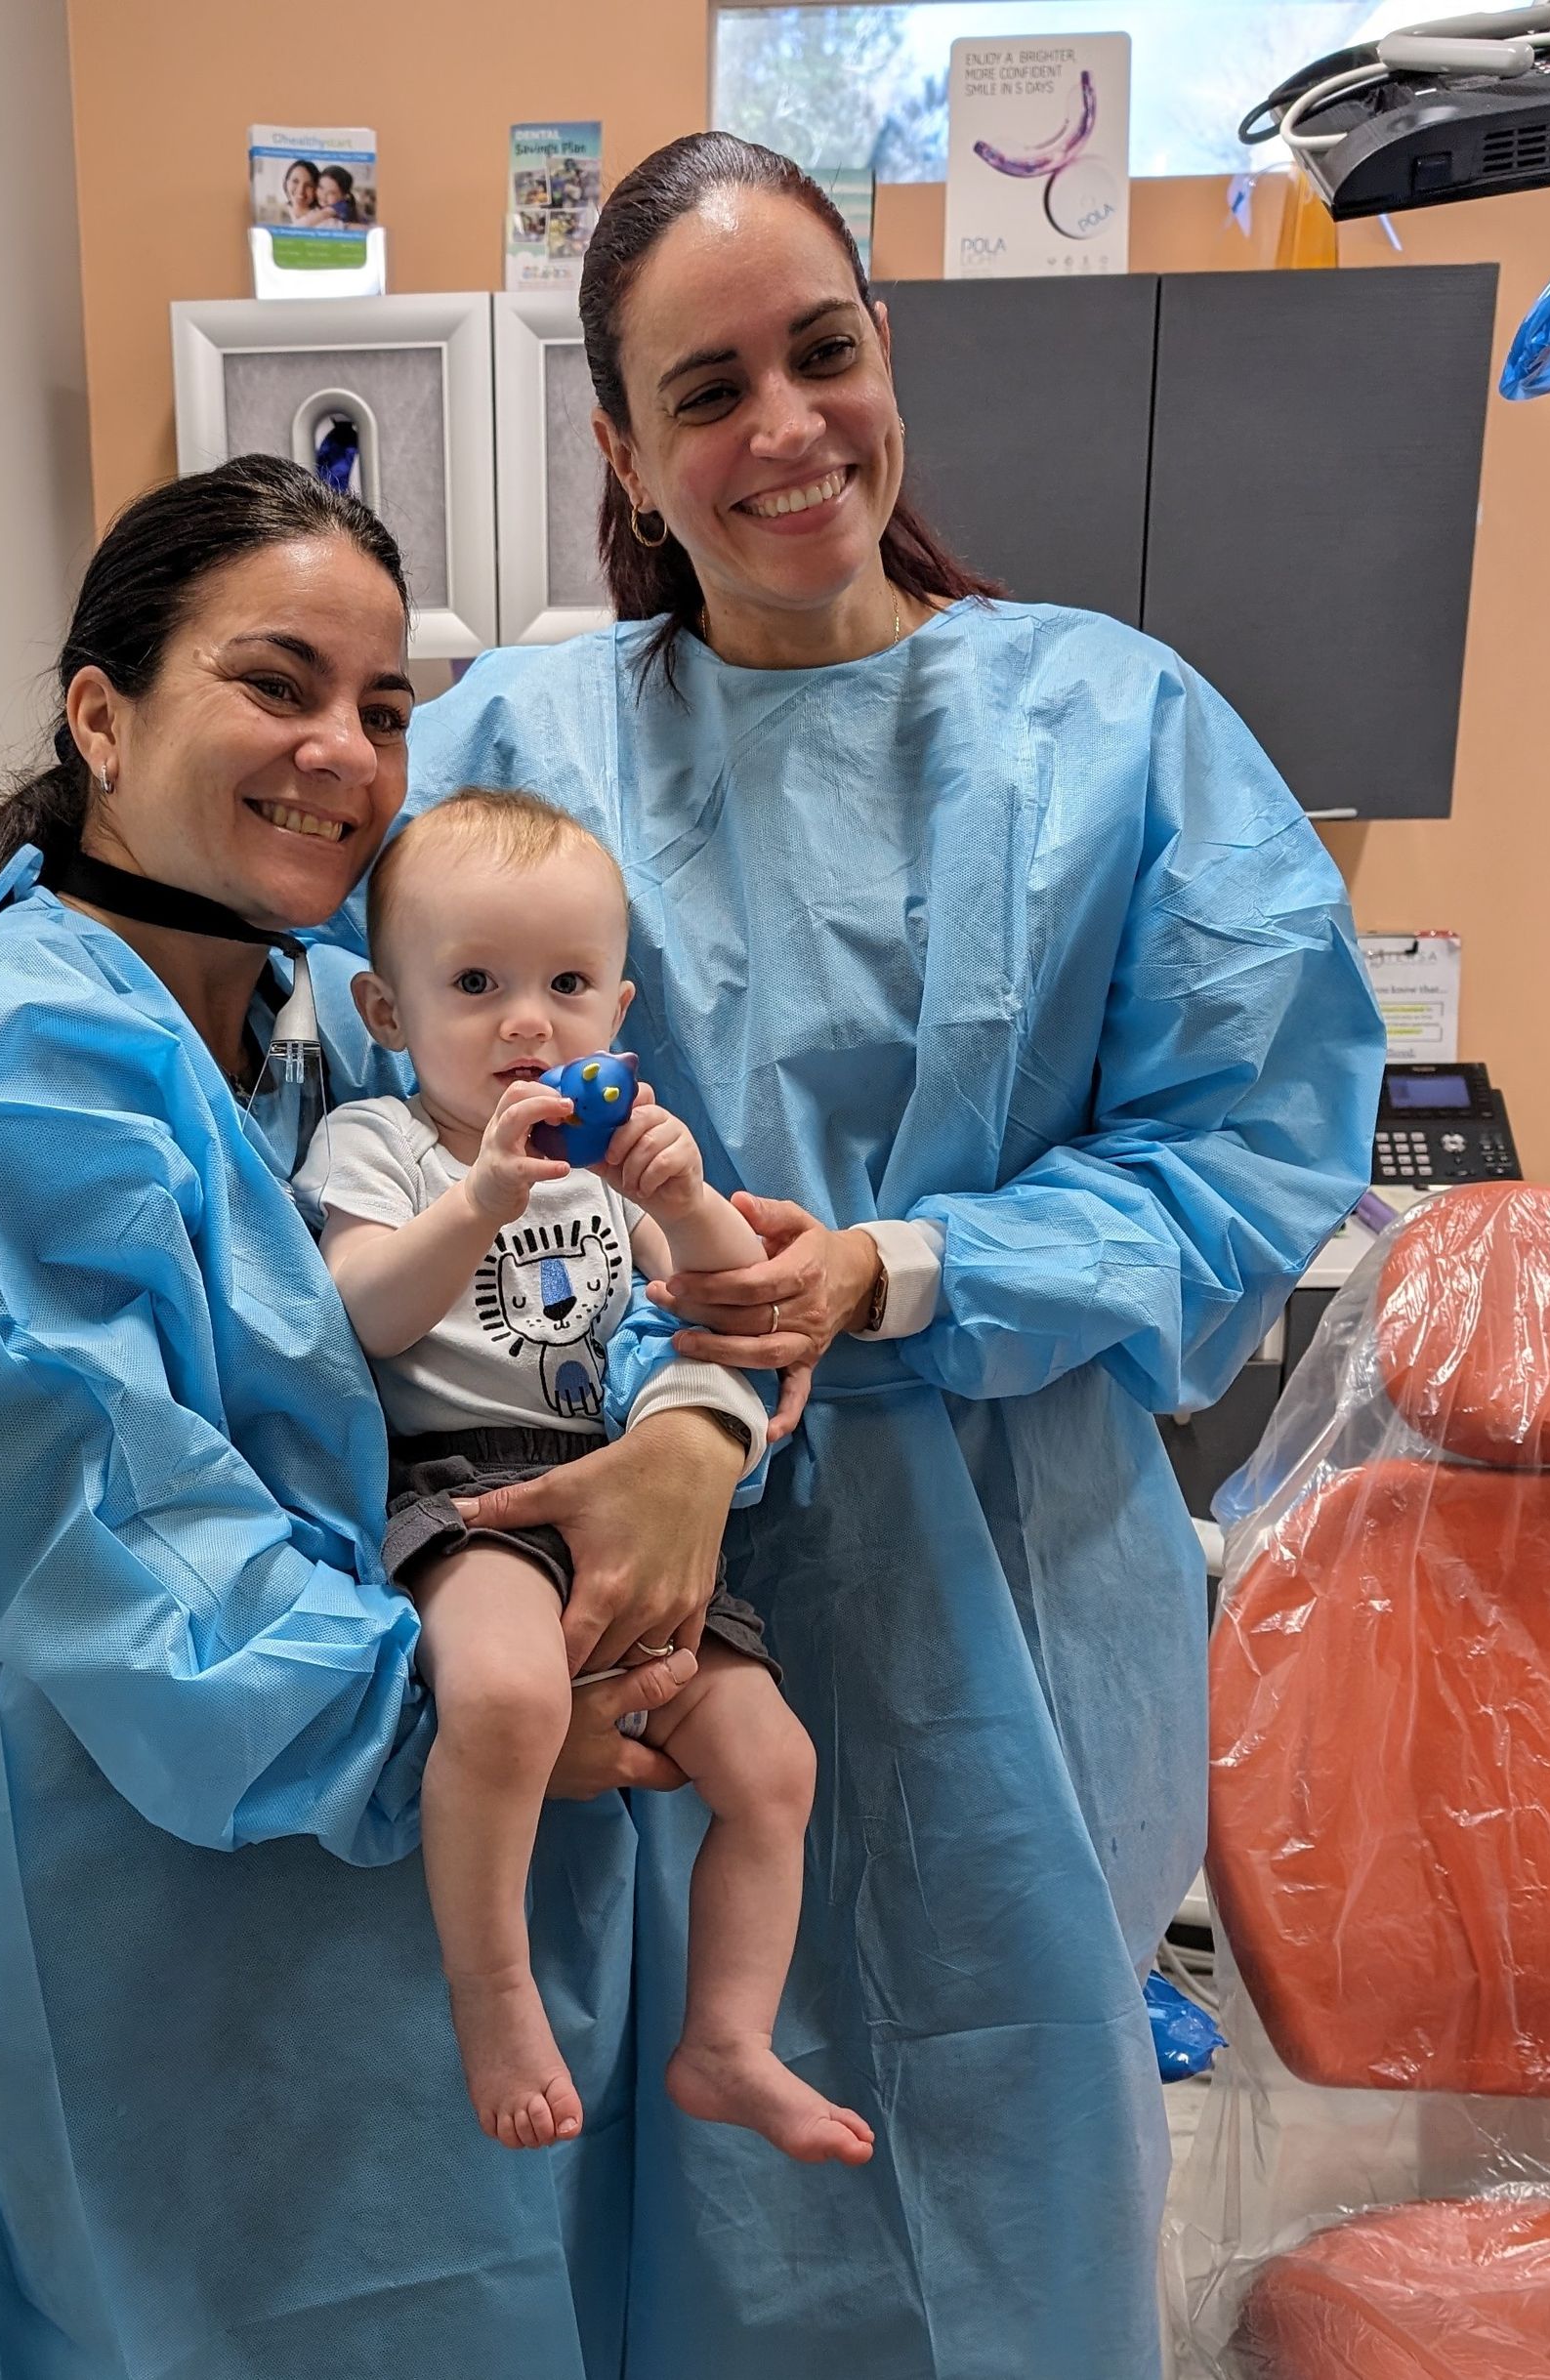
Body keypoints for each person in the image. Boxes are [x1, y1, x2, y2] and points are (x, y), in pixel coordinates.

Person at [0, 134, 1387, 2378]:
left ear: (885, 360)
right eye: (706, 385)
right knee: (621, 2225)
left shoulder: (1116, 729)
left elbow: (1245, 1156)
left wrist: (884, 1278)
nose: (785, 428)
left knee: (985, 2192)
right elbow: (277, 958)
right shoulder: (526, 735)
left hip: (983, 1642)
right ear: (624, 449)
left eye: (824, 352)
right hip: (562, 1625)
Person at [0, 454, 772, 2379]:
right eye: (277, 682)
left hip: (443, 1863)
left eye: (384, 707)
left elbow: (615, 1282)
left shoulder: (337, 1016)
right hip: (193, 1879)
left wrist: (687, 1432)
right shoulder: (10, 1053)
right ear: (99, 713)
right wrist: (482, 1728)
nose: (342, 750)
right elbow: (122, 1547)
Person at [302, 787, 871, 2164]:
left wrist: (681, 1199)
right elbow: (361, 1308)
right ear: (387, 1012)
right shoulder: (380, 1144)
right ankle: (491, 1990)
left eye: (566, 984)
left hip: (621, 1479)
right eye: (476, 983)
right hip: (465, 1493)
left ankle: (727, 2038)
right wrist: (479, 1201)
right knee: (504, 1692)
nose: (525, 1022)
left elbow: (740, 1313)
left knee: (773, 1762)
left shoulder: (621, 1167)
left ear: (619, 1009)